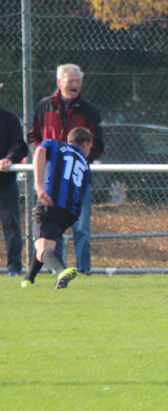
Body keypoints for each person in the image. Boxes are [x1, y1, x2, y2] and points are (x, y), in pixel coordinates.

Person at [29, 64, 103, 274]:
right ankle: (58, 270)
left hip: (75, 179)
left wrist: (79, 159)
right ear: (59, 82)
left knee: (81, 227)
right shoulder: (44, 106)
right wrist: (44, 159)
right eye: (71, 81)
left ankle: (84, 270)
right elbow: (34, 136)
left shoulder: (89, 110)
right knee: (53, 227)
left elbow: (98, 142)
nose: (75, 85)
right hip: (51, 179)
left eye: (78, 81)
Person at [22, 127, 93, 289]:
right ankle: (28, 279)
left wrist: (39, 186)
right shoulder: (85, 163)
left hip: (50, 204)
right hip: (70, 212)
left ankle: (61, 270)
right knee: (44, 242)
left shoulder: (56, 145)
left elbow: (39, 150)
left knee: (42, 249)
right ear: (85, 144)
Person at [0, 105, 29, 276]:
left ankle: (14, 267)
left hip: (6, 182)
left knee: (11, 224)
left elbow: (19, 144)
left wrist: (10, 158)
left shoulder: (9, 118)